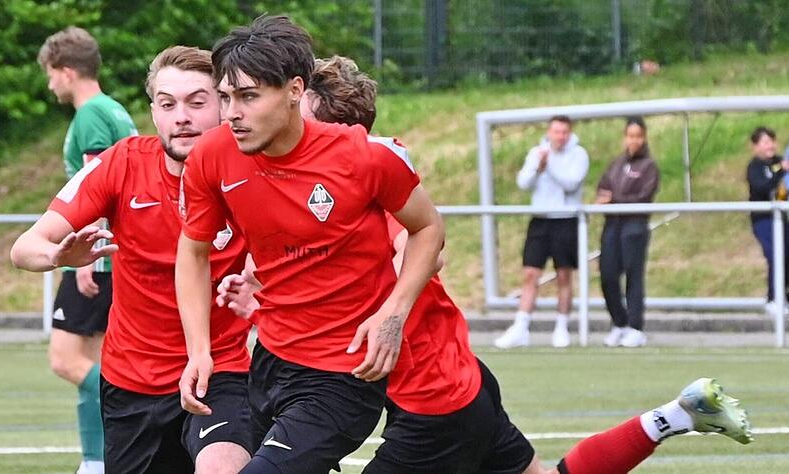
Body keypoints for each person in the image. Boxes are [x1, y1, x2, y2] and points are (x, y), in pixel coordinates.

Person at [220, 55, 753, 474]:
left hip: (431, 401)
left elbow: (420, 248)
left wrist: (392, 296)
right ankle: (677, 415)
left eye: (297, 114)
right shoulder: (327, 188)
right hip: (460, 379)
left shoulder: (360, 183)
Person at [176, 15, 445, 474]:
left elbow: (429, 229)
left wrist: (393, 312)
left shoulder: (364, 157)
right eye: (225, 97)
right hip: (270, 359)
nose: (231, 113)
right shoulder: (212, 155)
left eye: (248, 96)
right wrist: (199, 348)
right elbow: (193, 251)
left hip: (345, 375)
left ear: (295, 90)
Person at [11, 46, 254, 474]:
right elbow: (25, 247)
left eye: (197, 102)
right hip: (132, 383)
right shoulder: (121, 163)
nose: (182, 116)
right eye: (167, 104)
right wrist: (57, 253)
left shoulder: (250, 173)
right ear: (153, 112)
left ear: (222, 104)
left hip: (219, 372)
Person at [35, 26, 138, 474]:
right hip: (113, 255)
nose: (49, 84)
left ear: (67, 71)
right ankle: (99, 458)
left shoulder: (92, 113)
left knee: (65, 360)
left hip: (96, 257)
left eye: (51, 74)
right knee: (94, 360)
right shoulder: (113, 108)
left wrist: (87, 258)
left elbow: (99, 183)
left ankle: (138, 412)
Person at [496, 115, 590, 349]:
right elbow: (523, 183)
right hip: (540, 221)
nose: (560, 136)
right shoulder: (537, 152)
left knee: (564, 276)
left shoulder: (579, 155)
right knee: (530, 274)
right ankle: (521, 326)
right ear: (549, 132)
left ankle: (561, 326)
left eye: (564, 132)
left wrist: (551, 167)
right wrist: (538, 167)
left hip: (565, 220)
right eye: (556, 131)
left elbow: (572, 183)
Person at [595, 116, 660, 347]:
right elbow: (602, 187)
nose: (634, 141)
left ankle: (635, 326)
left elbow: (644, 196)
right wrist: (609, 201)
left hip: (634, 226)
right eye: (630, 136)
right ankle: (619, 322)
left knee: (633, 275)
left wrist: (614, 200)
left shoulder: (649, 166)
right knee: (607, 274)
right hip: (612, 225)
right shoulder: (616, 163)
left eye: (638, 136)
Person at [748, 126, 789, 316]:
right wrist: (782, 170)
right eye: (765, 142)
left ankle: (784, 297)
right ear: (755, 146)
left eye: (772, 141)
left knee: (787, 256)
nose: (770, 146)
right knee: (775, 255)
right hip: (763, 219)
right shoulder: (754, 167)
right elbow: (762, 186)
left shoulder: (780, 161)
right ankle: (773, 299)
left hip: (781, 217)